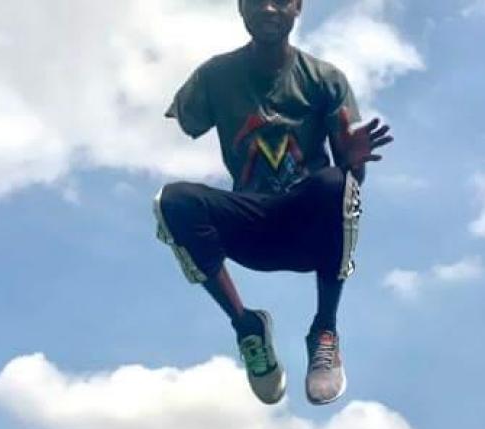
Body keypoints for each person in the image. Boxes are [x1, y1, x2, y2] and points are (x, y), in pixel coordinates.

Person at [154, 0, 393, 405]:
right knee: (173, 200)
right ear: (241, 8)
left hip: (305, 229)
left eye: (280, 0)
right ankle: (247, 328)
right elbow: (187, 119)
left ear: (297, 7)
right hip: (250, 226)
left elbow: (351, 187)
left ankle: (325, 330)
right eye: (256, 0)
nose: (268, 8)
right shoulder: (216, 75)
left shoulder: (324, 79)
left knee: (337, 183)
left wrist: (354, 163)